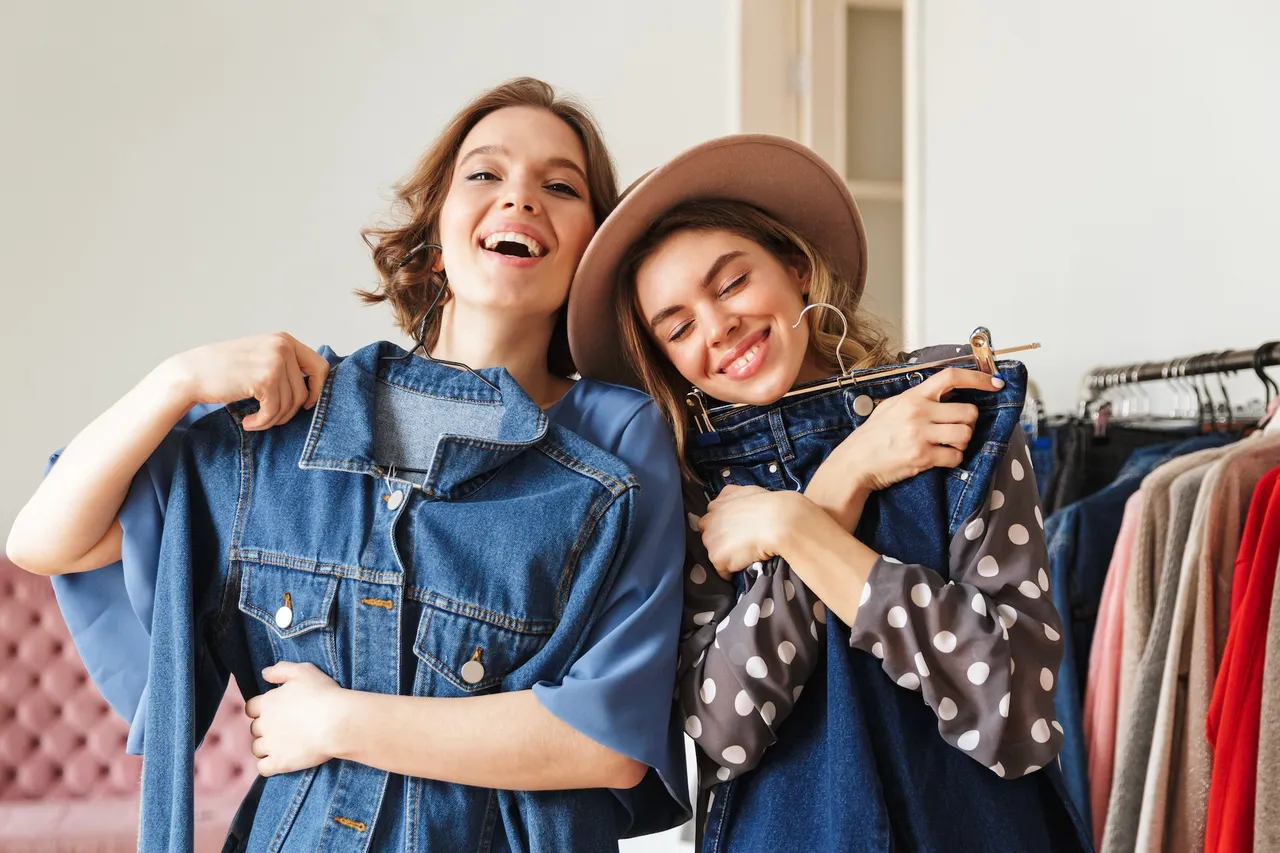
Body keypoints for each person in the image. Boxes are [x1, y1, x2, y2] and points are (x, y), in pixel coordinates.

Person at [6, 78, 690, 851]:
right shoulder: (297, 420)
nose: (521, 198)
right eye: (485, 174)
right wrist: (179, 380)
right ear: (434, 237)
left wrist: (339, 721)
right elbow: (43, 538)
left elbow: (605, 742)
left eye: (560, 186)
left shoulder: (617, 440)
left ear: (593, 253)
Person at [566, 134, 1092, 852]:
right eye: (680, 326)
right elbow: (726, 731)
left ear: (795, 267)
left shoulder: (957, 413)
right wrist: (843, 481)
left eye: (730, 283)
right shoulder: (687, 488)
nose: (718, 327)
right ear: (669, 363)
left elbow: (1014, 708)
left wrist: (794, 525)